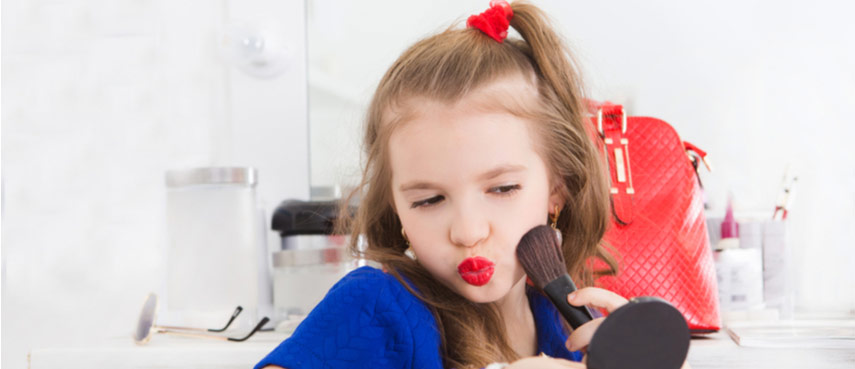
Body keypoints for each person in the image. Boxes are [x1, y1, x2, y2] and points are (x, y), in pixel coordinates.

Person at [257, 1, 689, 368]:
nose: (467, 231)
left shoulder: (567, 330)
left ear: (557, 189)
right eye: (428, 200)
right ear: (396, 210)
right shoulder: (375, 308)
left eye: (502, 190)